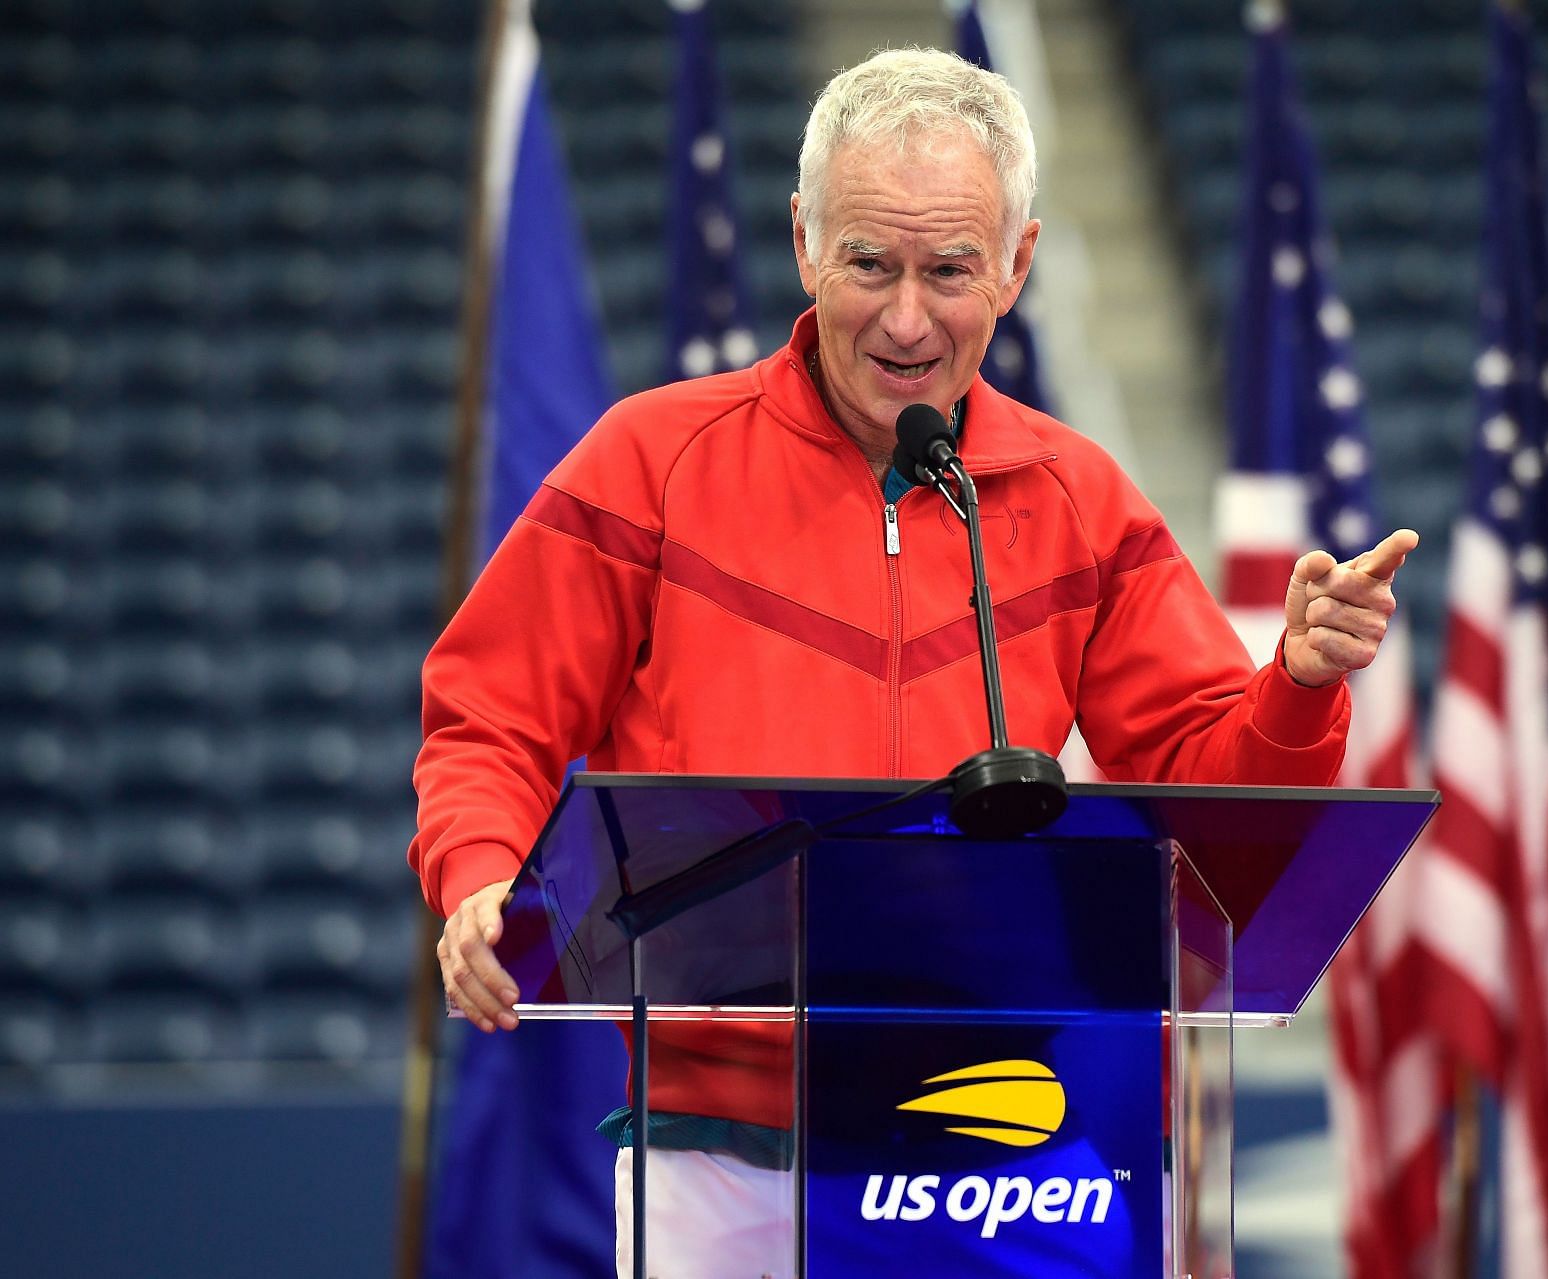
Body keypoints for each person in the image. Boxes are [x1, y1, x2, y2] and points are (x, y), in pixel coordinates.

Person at [412, 46, 1416, 1277]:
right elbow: (489, 716)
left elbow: (1208, 797)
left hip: (1005, 1140)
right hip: (722, 1158)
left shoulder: (1079, 498)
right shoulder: (651, 462)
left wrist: (1299, 687)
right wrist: (476, 872)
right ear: (801, 243)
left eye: (948, 270)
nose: (904, 317)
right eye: (869, 263)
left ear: (1019, 265)